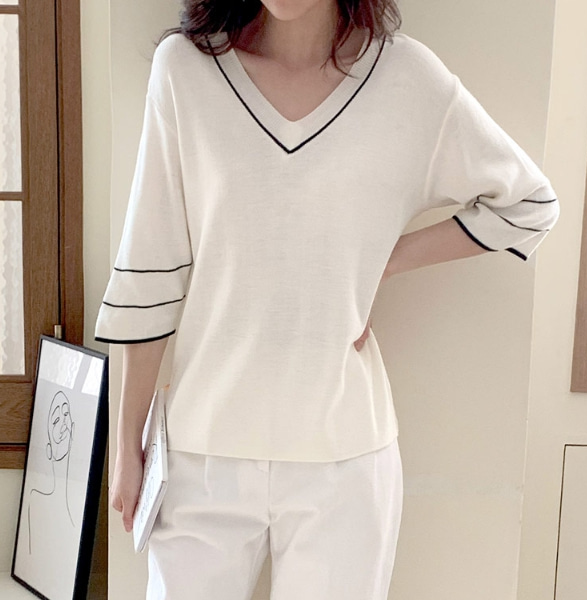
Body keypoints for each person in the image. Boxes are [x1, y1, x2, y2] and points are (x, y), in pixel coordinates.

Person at [95, 0, 560, 598]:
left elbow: (528, 205)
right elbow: (149, 269)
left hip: (345, 461)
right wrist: (126, 446)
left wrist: (380, 262)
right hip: (200, 453)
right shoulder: (184, 70)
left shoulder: (407, 79)